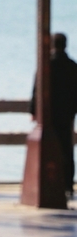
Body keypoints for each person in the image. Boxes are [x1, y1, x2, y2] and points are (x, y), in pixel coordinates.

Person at [30, 33, 77, 198]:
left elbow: (37, 89)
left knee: (50, 146)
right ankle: (68, 184)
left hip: (50, 113)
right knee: (67, 148)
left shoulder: (46, 65)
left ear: (51, 45)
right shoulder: (73, 65)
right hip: (68, 114)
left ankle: (49, 180)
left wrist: (33, 111)